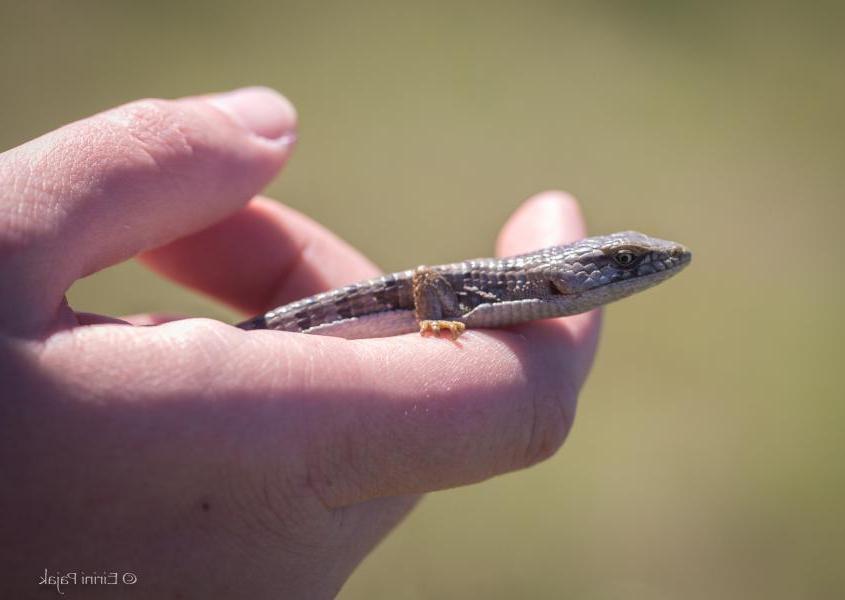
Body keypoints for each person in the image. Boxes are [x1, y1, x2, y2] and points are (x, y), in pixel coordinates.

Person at [0, 87, 601, 598]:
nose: (649, 267)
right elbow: (428, 283)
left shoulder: (525, 290)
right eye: (622, 262)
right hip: (300, 327)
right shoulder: (495, 289)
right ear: (559, 278)